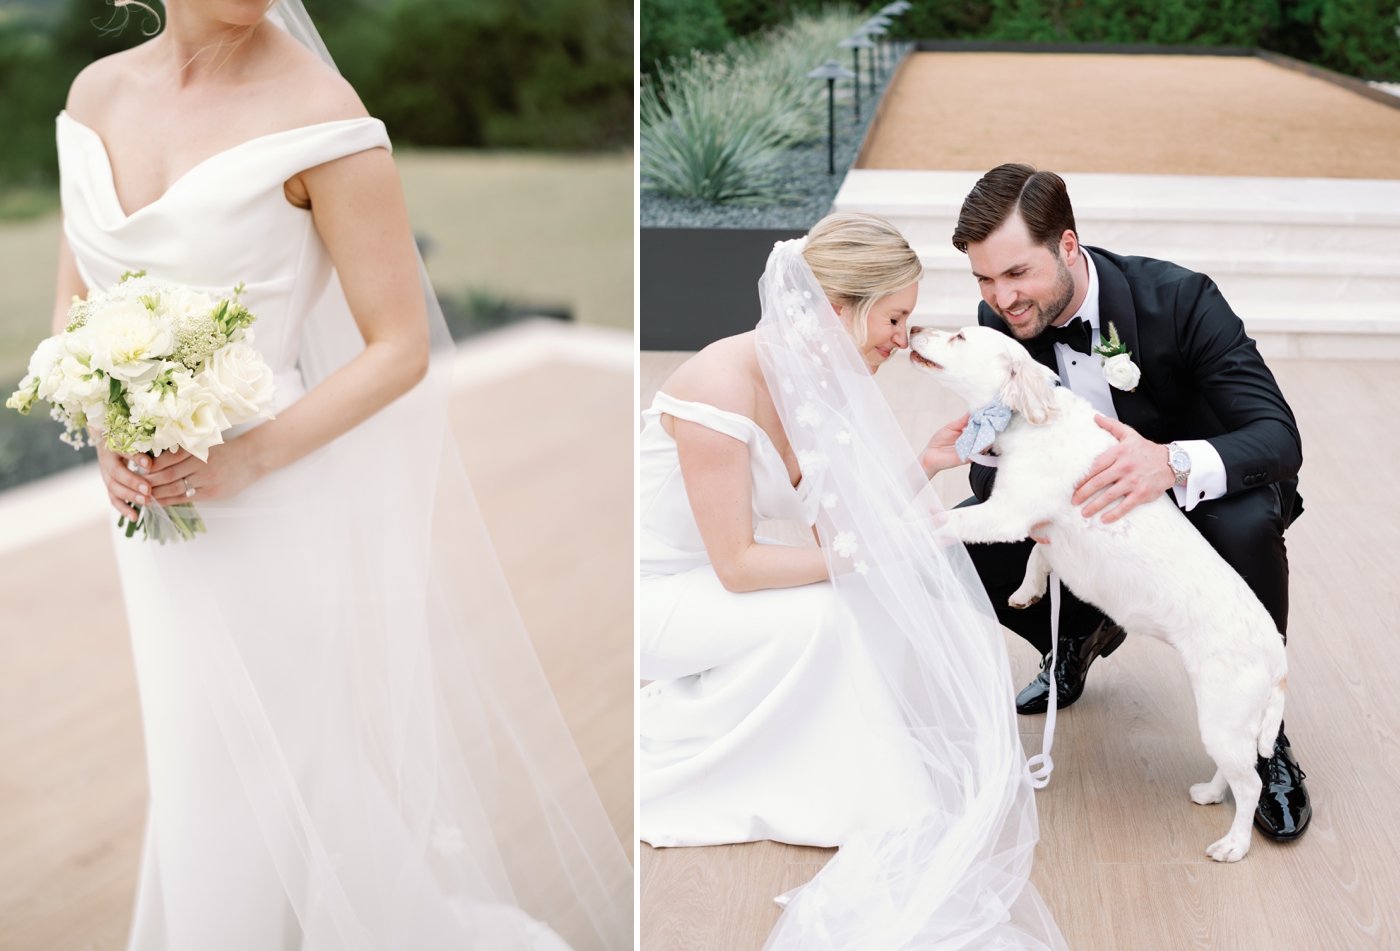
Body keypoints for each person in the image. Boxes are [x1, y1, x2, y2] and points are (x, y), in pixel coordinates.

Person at [53, 0, 631, 947]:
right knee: (199, 755)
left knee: (267, 760)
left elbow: (400, 345)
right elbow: (80, 294)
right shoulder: (96, 93)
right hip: (148, 509)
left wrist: (247, 456)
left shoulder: (320, 111)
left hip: (272, 495)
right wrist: (104, 422)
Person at [640, 213, 1066, 950]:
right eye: (895, 318)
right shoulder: (720, 381)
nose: (902, 341)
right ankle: (798, 777)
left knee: (866, 603)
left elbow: (836, 534)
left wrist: (927, 464)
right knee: (828, 614)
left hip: (711, 585)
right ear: (837, 307)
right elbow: (739, 565)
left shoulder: (812, 385)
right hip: (650, 593)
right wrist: (864, 557)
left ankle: (811, 765)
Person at [949, 163, 1310, 842]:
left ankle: (1267, 739)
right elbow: (995, 462)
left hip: (1192, 503)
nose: (1001, 298)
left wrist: (1167, 462)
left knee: (1247, 517)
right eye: (984, 280)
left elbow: (1276, 435)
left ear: (1067, 245)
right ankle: (1077, 637)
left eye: (1016, 274)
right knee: (978, 536)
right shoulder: (1001, 319)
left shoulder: (1180, 299)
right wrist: (999, 467)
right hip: (1089, 512)